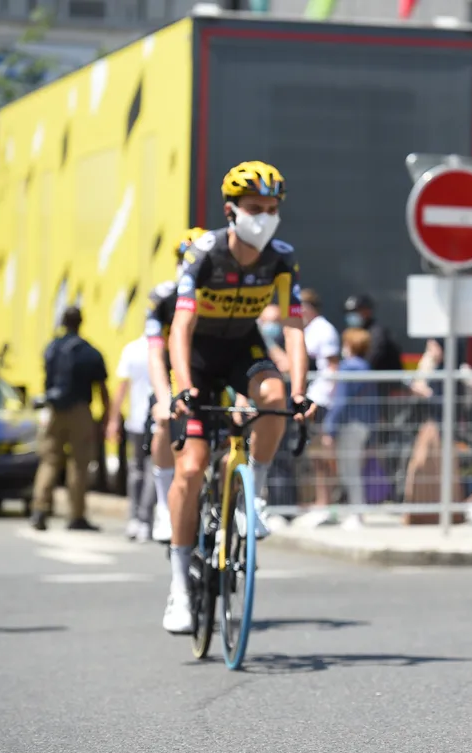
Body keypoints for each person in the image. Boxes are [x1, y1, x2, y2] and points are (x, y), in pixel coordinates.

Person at [162, 161, 316, 634]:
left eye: (272, 209)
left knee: (274, 396)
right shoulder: (204, 254)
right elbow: (180, 328)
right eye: (255, 208)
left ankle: (255, 496)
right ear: (231, 211)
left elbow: (293, 328)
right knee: (189, 469)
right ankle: (178, 587)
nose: (264, 217)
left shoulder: (281, 258)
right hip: (199, 358)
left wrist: (300, 391)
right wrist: (184, 384)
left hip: (242, 349)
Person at [143, 228, 208, 544]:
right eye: (186, 258)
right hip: (173, 372)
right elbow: (156, 353)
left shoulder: (217, 292)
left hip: (209, 368)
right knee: (163, 424)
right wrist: (163, 398)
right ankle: (163, 503)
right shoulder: (162, 296)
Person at [31, 306, 109, 532]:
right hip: (80, 410)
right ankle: (76, 514)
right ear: (80, 322)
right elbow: (102, 387)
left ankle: (40, 509)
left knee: (49, 461)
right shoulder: (89, 351)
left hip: (54, 410)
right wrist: (105, 414)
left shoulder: (52, 347)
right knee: (79, 463)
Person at [324, 327, 376, 529]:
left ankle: (356, 513)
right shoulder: (366, 367)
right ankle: (356, 511)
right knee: (353, 468)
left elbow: (341, 401)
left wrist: (330, 428)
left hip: (348, 425)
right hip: (363, 425)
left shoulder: (348, 368)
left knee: (349, 470)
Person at [108, 333, 155, 541]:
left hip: (137, 418)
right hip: (157, 419)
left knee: (136, 470)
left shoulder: (132, 348)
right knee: (153, 470)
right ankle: (145, 520)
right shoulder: (164, 347)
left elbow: (121, 387)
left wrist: (114, 419)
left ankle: (135, 518)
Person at [300, 288, 340, 511]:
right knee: (315, 455)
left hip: (322, 401)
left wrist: (328, 399)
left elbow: (332, 367)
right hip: (314, 399)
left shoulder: (323, 330)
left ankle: (326, 502)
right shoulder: (311, 329)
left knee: (322, 454)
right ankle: (321, 501)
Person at [344, 293, 402, 373]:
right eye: (349, 312)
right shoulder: (354, 332)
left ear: (367, 311)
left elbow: (370, 362)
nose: (352, 315)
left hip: (383, 383)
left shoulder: (377, 333)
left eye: (355, 311)